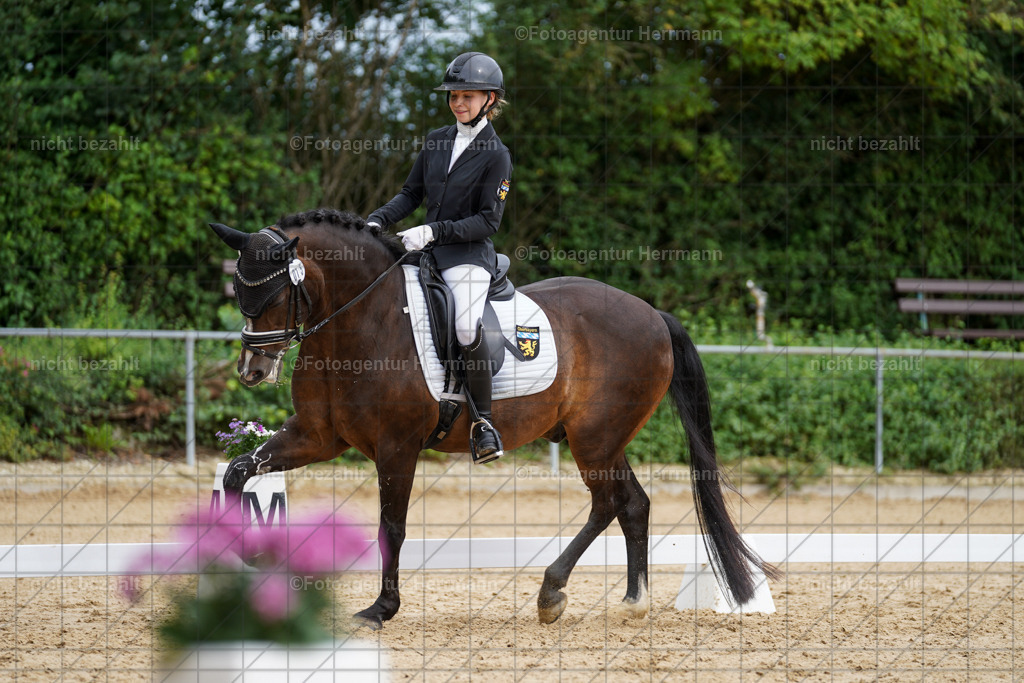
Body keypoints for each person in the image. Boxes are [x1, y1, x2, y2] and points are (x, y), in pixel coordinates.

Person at [366, 52, 512, 464]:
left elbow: (488, 220)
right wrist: (377, 220)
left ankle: (483, 423)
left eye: (467, 96)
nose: (458, 103)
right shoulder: (436, 139)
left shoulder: (496, 154)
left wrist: (435, 231)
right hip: (426, 253)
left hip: (468, 256)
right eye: (453, 96)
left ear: (490, 99)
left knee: (466, 325)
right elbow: (411, 194)